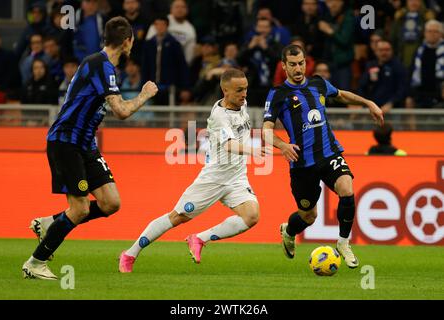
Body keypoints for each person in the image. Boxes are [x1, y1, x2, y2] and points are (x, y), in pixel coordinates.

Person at [22, 16, 158, 280]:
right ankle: (35, 262)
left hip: (85, 143)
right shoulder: (102, 66)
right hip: (66, 141)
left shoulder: (101, 65)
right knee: (81, 208)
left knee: (110, 203)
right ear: (127, 41)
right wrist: (144, 94)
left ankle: (50, 223)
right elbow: (121, 111)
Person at [119, 68, 264, 272]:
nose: (244, 94)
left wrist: (219, 69)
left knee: (251, 216)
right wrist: (253, 150)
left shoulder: (241, 104)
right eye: (239, 90)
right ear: (225, 91)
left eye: (246, 89)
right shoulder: (219, 115)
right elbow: (229, 145)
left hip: (237, 178)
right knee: (177, 217)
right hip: (214, 178)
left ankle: (199, 239)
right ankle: (129, 254)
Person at [262, 44, 384, 268]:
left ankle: (343, 243)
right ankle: (288, 230)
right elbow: (266, 130)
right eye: (292, 65)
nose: (298, 69)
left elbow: (341, 94)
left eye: (301, 63)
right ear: (284, 66)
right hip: (302, 164)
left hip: (329, 153)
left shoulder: (318, 83)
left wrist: (368, 103)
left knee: (347, 188)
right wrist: (282, 145)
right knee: (308, 216)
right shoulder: (278, 94)